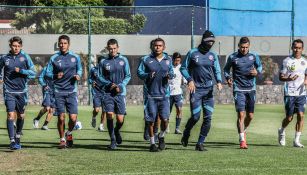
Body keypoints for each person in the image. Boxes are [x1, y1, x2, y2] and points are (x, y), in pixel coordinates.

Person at [180, 30, 222, 151]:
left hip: (208, 91)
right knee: (195, 117)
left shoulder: (212, 55)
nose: (210, 43)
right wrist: (189, 80)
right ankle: (186, 131)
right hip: (196, 91)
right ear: (203, 40)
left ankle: (200, 143)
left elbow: (217, 70)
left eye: (212, 42)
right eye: (208, 41)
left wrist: (219, 81)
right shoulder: (192, 53)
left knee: (208, 118)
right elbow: (183, 68)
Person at [224, 36, 262, 149]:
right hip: (238, 88)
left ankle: (243, 131)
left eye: (246, 47)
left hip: (251, 88)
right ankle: (242, 140)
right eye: (242, 47)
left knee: (250, 116)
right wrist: (228, 78)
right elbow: (226, 70)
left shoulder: (254, 56)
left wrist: (257, 72)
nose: (244, 49)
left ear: (249, 46)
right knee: (241, 114)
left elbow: (259, 67)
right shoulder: (232, 57)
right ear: (238, 46)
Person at [137, 37, 174, 152]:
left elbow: (172, 72)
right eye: (156, 45)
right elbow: (139, 72)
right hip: (151, 96)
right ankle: (152, 144)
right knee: (151, 121)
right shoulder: (146, 59)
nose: (157, 47)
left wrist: (170, 76)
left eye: (160, 45)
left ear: (164, 47)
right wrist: (148, 75)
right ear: (152, 46)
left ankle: (161, 136)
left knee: (165, 120)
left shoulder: (168, 59)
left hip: (164, 96)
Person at [46, 35, 82, 149]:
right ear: (58, 44)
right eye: (60, 43)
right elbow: (47, 74)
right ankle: (62, 139)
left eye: (65, 43)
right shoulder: (54, 58)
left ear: (69, 44)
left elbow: (80, 69)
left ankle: (69, 133)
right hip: (58, 91)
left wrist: (78, 75)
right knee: (61, 117)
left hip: (71, 91)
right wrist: (56, 75)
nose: (62, 45)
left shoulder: (75, 57)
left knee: (73, 118)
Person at [0, 36, 36, 150]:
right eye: (14, 46)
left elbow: (33, 73)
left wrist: (21, 71)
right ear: (10, 45)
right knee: (11, 115)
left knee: (21, 115)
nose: (16, 48)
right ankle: (12, 141)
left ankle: (18, 136)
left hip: (22, 92)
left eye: (18, 46)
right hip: (9, 90)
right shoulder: (4, 58)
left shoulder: (25, 57)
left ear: (21, 46)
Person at [98, 39, 131, 150]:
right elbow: (100, 77)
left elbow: (128, 76)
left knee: (120, 119)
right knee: (109, 115)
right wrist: (109, 84)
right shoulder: (103, 61)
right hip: (108, 93)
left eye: (114, 48)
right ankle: (112, 140)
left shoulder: (124, 60)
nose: (112, 50)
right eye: (110, 49)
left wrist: (120, 86)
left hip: (120, 94)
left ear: (118, 48)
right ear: (107, 49)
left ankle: (116, 131)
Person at [278, 39, 307, 148]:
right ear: (292, 48)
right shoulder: (287, 61)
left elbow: (306, 74)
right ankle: (282, 130)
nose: (297, 50)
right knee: (289, 118)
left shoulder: (305, 62)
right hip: (290, 92)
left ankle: (296, 141)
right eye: (295, 47)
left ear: (302, 49)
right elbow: (281, 77)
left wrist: (305, 81)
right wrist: (288, 78)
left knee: (300, 115)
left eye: (299, 48)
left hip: (301, 93)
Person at [168, 52, 186, 134]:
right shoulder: (169, 67)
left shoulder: (182, 68)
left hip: (178, 92)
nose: (177, 62)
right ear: (173, 60)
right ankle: (166, 126)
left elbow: (185, 78)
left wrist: (187, 82)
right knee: (167, 111)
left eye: (178, 60)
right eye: (176, 60)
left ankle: (177, 128)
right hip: (168, 93)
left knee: (179, 109)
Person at [33, 66, 55, 130]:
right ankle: (36, 119)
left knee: (52, 110)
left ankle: (45, 125)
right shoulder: (46, 68)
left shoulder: (60, 68)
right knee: (47, 108)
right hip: (47, 90)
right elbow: (40, 77)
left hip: (56, 91)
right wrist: (44, 84)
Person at [89, 59, 106, 132]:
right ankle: (94, 117)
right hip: (96, 92)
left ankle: (101, 125)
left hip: (105, 92)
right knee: (97, 109)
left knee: (105, 110)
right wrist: (92, 82)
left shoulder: (107, 69)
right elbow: (89, 79)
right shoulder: (93, 69)